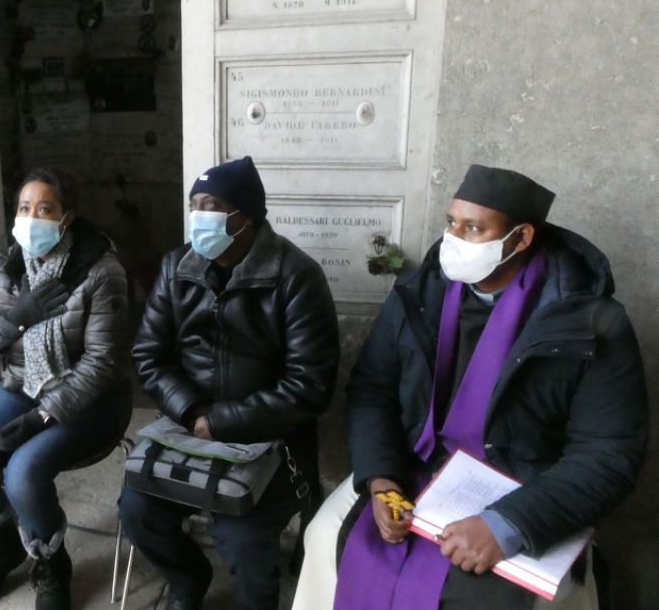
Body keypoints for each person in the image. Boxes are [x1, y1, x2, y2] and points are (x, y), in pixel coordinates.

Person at [295, 164, 647, 610]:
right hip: (415, 462)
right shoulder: (420, 292)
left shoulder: (589, 322)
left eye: (474, 228)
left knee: (484, 594)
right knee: (326, 537)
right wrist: (381, 476)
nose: (453, 239)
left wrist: (509, 526)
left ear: (520, 239)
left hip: (525, 483)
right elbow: (372, 388)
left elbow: (609, 452)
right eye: (451, 222)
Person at [118, 156, 340, 610]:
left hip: (273, 437)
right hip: (188, 425)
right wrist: (192, 412)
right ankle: (188, 581)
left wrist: (222, 421)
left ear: (248, 216)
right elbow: (148, 354)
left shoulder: (297, 277)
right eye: (194, 204)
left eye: (212, 205)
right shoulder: (177, 267)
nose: (199, 216)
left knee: (240, 537)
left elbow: (310, 385)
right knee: (138, 511)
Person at [0, 167, 131, 610]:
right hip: (19, 386)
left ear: (66, 217)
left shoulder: (100, 270)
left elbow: (103, 363)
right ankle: (3, 546)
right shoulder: (3, 267)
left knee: (22, 473)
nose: (32, 217)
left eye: (45, 208)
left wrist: (44, 415)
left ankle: (51, 562)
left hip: (88, 398)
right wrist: (13, 321)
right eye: (24, 208)